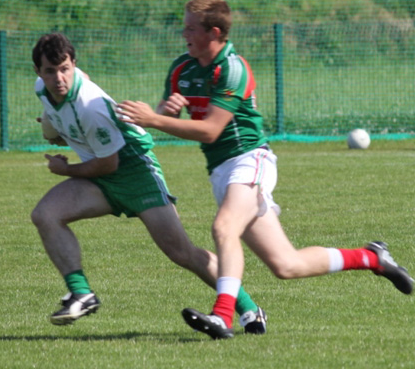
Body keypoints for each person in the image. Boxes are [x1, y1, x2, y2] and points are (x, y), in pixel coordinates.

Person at [117, 0, 415, 340]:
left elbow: (211, 130)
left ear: (214, 32)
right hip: (221, 172)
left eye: (190, 27)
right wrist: (165, 112)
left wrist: (153, 119)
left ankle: (223, 316)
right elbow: (169, 118)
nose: (183, 33)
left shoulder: (233, 68)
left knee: (224, 227)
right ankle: (372, 258)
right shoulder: (182, 68)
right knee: (286, 265)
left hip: (250, 158)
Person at [30, 32, 267, 334]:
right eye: (50, 71)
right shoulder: (43, 90)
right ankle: (81, 293)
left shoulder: (90, 105)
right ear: (38, 72)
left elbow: (108, 163)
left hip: (135, 171)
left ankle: (248, 309)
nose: (59, 78)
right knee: (45, 215)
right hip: (103, 177)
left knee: (182, 253)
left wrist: (66, 170)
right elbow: (66, 112)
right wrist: (54, 126)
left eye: (65, 68)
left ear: (73, 64)